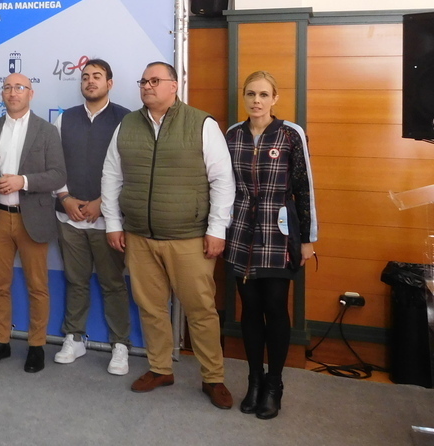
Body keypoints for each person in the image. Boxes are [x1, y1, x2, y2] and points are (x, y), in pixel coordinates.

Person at [101, 61, 236, 409]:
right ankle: (161, 368)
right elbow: (111, 175)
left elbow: (222, 180)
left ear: (174, 86)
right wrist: (114, 223)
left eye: (155, 80)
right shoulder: (127, 124)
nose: (147, 86)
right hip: (140, 238)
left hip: (189, 237)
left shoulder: (202, 124)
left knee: (201, 310)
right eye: (143, 81)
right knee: (150, 307)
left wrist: (217, 229)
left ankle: (213, 377)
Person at [225, 70, 317, 419]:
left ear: (275, 98)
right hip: (241, 230)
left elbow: (305, 188)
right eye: (251, 94)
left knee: (276, 305)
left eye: (264, 95)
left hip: (279, 232)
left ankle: (274, 384)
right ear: (244, 97)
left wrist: (308, 239)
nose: (257, 101)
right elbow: (222, 186)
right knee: (248, 307)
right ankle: (254, 380)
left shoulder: (291, 135)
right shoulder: (232, 135)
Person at [0, 73, 66, 374]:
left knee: (38, 287)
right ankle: (2, 341)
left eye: (19, 88)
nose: (13, 93)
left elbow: (58, 175)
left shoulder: (46, 131)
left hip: (32, 219)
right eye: (8, 88)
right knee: (0, 285)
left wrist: (23, 181)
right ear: (2, 93)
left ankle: (36, 346)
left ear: (30, 93)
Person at [52, 59, 132, 374]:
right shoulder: (64, 119)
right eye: (85, 77)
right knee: (76, 280)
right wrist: (65, 197)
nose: (90, 81)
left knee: (113, 283)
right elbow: (54, 165)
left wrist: (103, 202)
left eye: (97, 76)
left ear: (109, 83)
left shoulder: (126, 119)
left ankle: (120, 345)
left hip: (108, 220)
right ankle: (74, 337)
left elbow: (130, 169)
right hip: (69, 218)